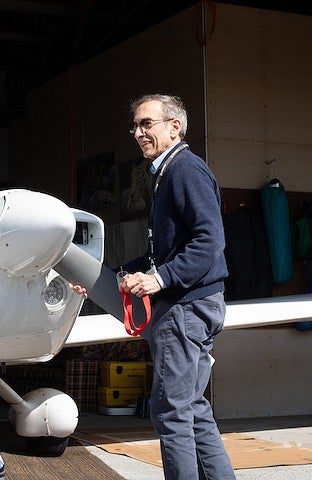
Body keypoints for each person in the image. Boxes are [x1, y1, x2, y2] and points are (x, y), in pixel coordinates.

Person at [72, 94, 235, 480]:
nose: (139, 132)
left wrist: (159, 279)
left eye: (148, 124)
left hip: (185, 309)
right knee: (193, 410)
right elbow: (161, 254)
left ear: (175, 126)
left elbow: (209, 241)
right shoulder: (167, 173)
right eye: (135, 126)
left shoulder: (185, 171)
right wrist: (104, 279)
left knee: (171, 413)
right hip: (196, 305)